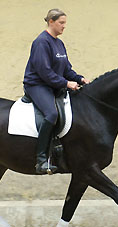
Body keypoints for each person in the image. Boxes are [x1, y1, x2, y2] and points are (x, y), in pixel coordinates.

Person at [23, 8, 90, 175]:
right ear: (50, 22)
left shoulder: (59, 43)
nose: (64, 26)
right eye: (61, 23)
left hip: (53, 85)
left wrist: (80, 79)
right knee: (51, 114)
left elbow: (66, 69)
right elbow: (44, 72)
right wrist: (67, 83)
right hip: (37, 85)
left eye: (65, 23)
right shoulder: (41, 42)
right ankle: (41, 159)